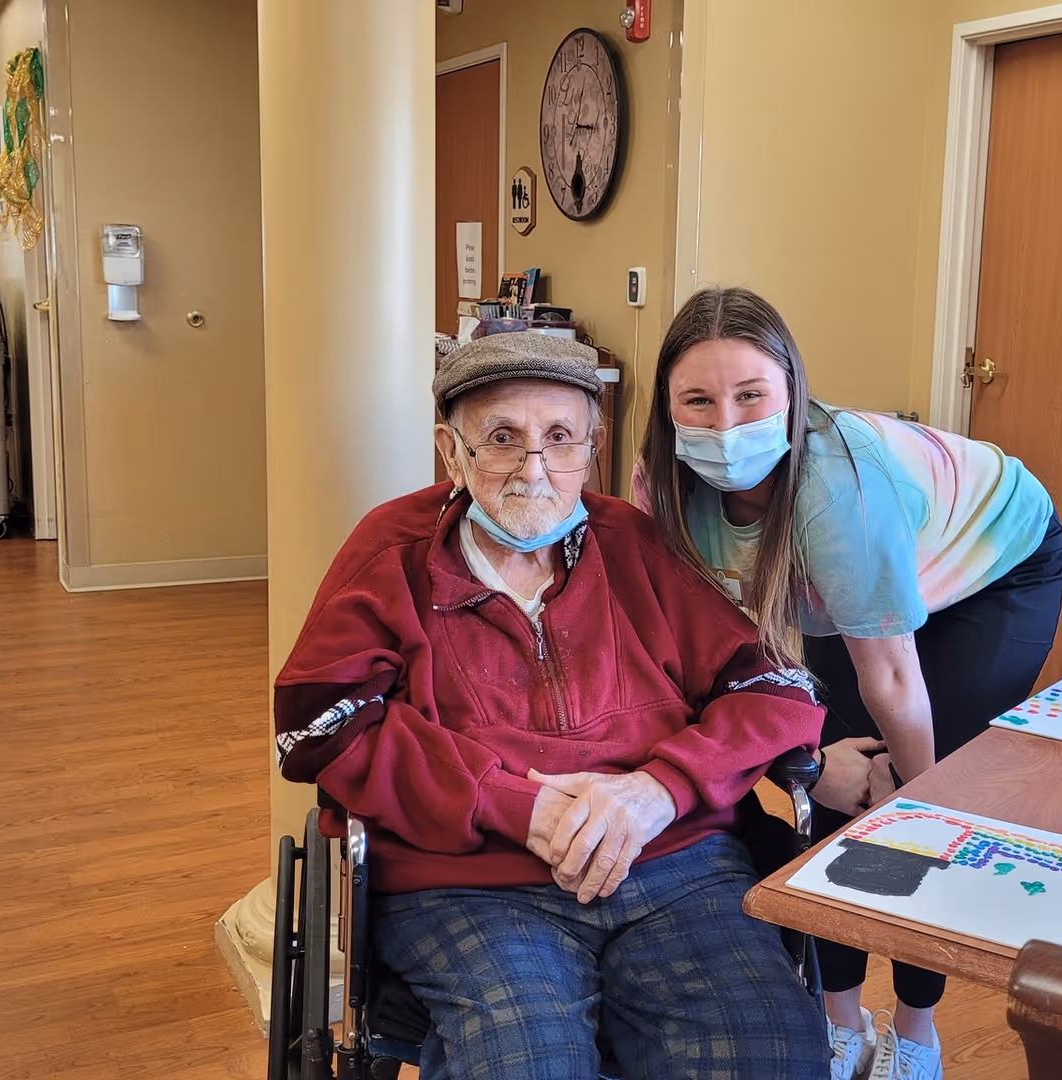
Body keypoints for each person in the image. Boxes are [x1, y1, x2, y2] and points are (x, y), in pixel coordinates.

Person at [273, 330, 830, 1080]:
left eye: (560, 438)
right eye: (502, 438)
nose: (534, 469)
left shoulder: (633, 544)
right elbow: (318, 729)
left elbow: (773, 688)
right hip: (471, 884)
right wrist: (509, 804)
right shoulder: (394, 555)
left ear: (592, 450)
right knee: (522, 1064)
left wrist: (659, 788)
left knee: (769, 1054)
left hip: (673, 863)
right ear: (451, 449)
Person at [637, 287, 1062, 1080]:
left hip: (991, 572)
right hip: (841, 595)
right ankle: (842, 1024)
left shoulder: (836, 493)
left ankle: (915, 1030)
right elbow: (702, 664)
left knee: (913, 792)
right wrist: (807, 757)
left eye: (751, 395)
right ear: (666, 410)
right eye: (697, 400)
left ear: (793, 394)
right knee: (828, 787)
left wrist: (915, 799)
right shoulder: (662, 491)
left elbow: (896, 681)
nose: (725, 425)